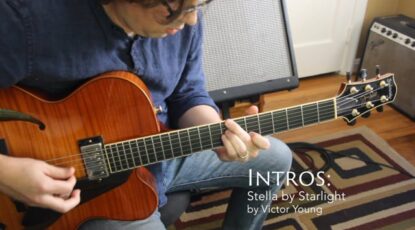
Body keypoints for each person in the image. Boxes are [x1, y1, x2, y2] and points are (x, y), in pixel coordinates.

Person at [0, 0, 292, 229]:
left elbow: (186, 93)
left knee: (277, 159)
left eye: (197, 5)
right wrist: (6, 173)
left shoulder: (185, 16)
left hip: (155, 151)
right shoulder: (24, 19)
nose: (190, 19)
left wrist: (217, 133)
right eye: (173, 5)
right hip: (86, 192)